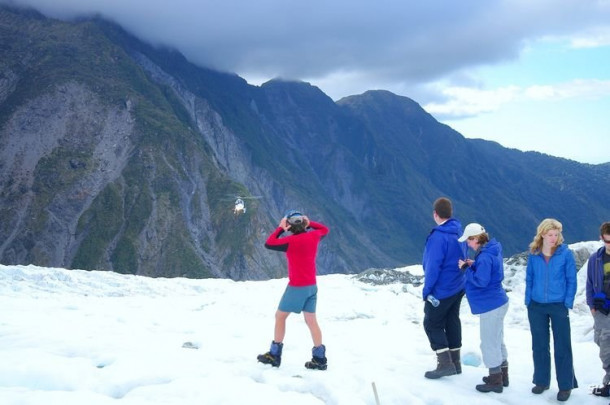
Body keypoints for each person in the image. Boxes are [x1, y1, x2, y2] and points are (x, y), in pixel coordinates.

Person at [257, 210, 329, 370]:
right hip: (312, 286)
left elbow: (269, 243)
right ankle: (319, 358)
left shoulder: (290, 242)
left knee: (280, 316)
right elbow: (324, 230)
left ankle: (274, 355)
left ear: (289, 226)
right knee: (311, 321)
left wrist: (281, 228)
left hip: (297, 287)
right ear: (304, 224)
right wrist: (311, 224)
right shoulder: (313, 236)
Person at [525, 218, 578, 402]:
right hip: (536, 306)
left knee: (562, 346)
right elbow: (529, 278)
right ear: (542, 234)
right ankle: (541, 381)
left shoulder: (565, 254)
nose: (554, 238)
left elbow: (572, 279)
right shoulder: (534, 253)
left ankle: (565, 385)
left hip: (558, 305)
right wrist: (529, 300)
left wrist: (567, 302)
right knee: (539, 345)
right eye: (550, 235)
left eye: (556, 235)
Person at [458, 223, 509, 393]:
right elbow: (487, 271)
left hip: (490, 305)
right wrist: (475, 264)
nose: (467, 244)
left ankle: (495, 381)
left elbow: (481, 281)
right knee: (497, 339)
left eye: (469, 240)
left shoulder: (485, 256)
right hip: (498, 301)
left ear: (476, 239)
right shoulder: (491, 250)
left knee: (488, 343)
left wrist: (466, 268)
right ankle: (503, 375)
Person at [422, 197, 466, 379]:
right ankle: (455, 362)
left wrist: (427, 290)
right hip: (458, 285)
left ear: (435, 214)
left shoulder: (439, 236)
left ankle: (444, 363)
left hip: (442, 288)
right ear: (451, 213)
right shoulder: (459, 232)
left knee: (432, 323)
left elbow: (433, 266)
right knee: (452, 320)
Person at [587, 222, 610, 398]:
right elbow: (589, 283)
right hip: (601, 311)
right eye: (607, 241)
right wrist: (592, 306)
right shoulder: (595, 259)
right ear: (602, 238)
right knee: (602, 345)